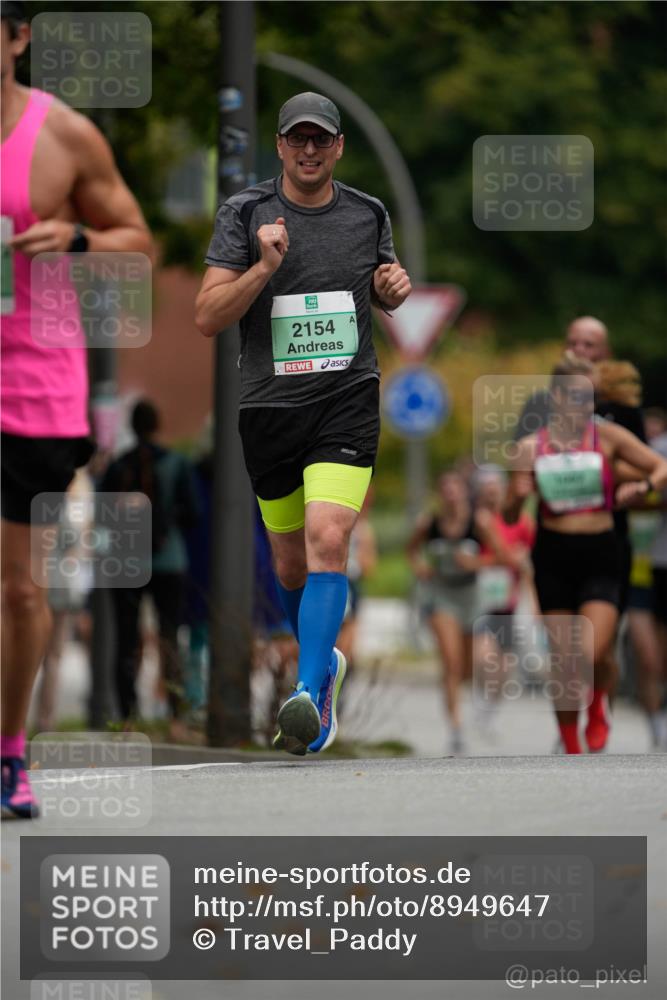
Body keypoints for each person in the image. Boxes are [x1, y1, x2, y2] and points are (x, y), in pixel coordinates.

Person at [196, 92, 411, 755]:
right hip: (268, 408)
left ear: (339, 146)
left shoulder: (367, 213)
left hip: (345, 397)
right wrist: (264, 266)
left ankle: (311, 692)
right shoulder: (246, 213)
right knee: (290, 565)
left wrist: (390, 288)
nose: (310, 151)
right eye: (298, 140)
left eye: (322, 140)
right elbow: (207, 315)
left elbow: (378, 284)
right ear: (281, 146)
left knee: (327, 536)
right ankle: (323, 669)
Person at [0, 2, 152, 818]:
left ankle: (9, 754)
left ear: (18, 37)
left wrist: (78, 241)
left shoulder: (64, 137)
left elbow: (137, 235)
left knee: (19, 594)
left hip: (31, 390)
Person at [504, 356, 667, 755]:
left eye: (591, 397)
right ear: (556, 397)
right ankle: (570, 740)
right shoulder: (529, 446)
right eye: (578, 396)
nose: (586, 405)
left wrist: (643, 486)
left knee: (593, 650)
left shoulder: (608, 437)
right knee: (563, 660)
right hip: (554, 555)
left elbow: (661, 466)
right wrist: (517, 496)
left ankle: (597, 707)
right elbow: (509, 515)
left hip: (601, 552)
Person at [99, 401, 200, 740]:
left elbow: (102, 516)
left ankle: (127, 718)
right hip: (169, 560)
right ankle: (176, 718)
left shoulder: (117, 467)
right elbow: (194, 514)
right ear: (157, 424)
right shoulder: (176, 464)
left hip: (126, 562)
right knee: (170, 637)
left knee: (126, 640)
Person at [407, 470, 503, 754]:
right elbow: (411, 550)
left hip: (470, 596)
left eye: (455, 487)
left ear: (464, 491)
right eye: (445, 488)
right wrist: (420, 567)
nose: (450, 493)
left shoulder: (479, 522)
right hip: (440, 595)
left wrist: (476, 564)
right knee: (450, 662)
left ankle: (463, 708)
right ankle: (456, 728)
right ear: (440, 494)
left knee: (468, 666)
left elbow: (501, 555)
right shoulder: (430, 523)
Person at [471, 466, 536, 738]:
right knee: (486, 659)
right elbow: (501, 557)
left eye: (496, 483)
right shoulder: (475, 521)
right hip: (479, 598)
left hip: (508, 600)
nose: (492, 488)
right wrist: (505, 558)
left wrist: (534, 599)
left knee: (505, 668)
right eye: (486, 484)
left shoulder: (522, 522)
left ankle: (488, 713)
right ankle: (478, 707)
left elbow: (531, 562)